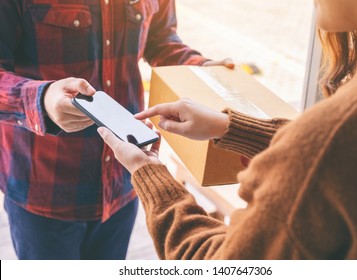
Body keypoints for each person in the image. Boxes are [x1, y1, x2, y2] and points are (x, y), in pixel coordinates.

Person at [98, 0, 357, 259]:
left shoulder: (326, 143)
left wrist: (149, 173)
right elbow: (340, 158)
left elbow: (216, 263)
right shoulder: (347, 131)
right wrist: (231, 127)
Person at [0, 0, 232, 260]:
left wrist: (200, 67)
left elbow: (161, 38)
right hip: (43, 189)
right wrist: (41, 99)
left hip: (125, 181)